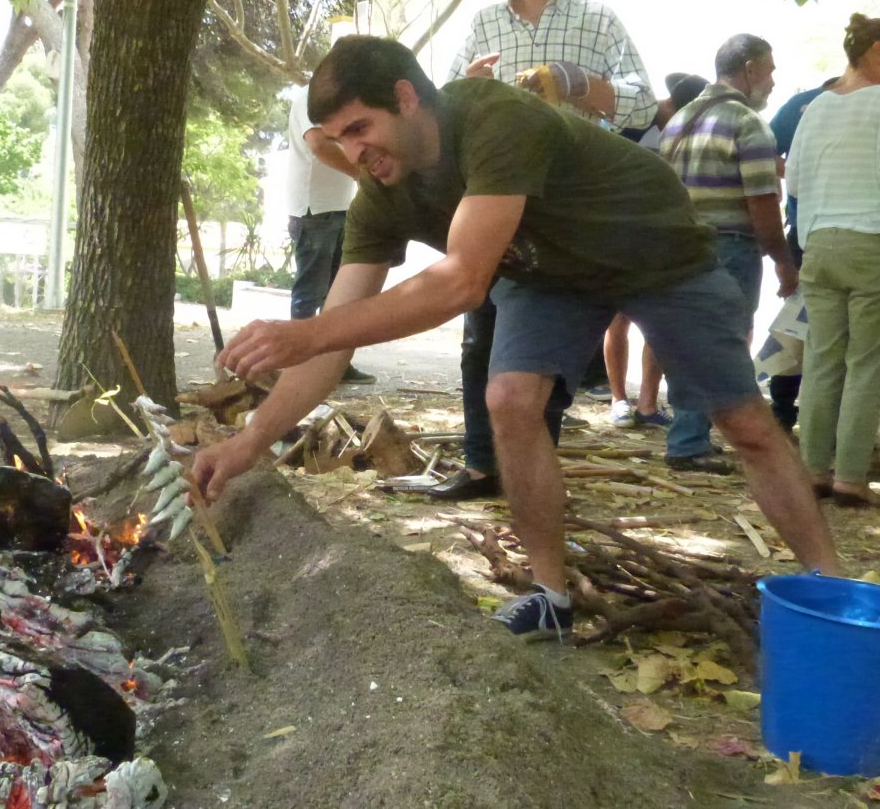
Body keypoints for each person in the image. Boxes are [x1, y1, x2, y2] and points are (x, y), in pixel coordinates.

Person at [193, 36, 841, 640]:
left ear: (407, 97)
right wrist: (250, 439)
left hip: (653, 248)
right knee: (508, 399)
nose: (354, 153)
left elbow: (461, 282)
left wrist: (304, 333)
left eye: (361, 129)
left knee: (745, 423)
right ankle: (550, 596)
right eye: (338, 139)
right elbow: (328, 347)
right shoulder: (382, 194)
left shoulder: (493, 117)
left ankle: (833, 597)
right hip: (550, 271)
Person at [428, 0, 659, 501]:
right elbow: (441, 109)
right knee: (478, 331)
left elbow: (643, 101)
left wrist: (577, 82)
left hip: (566, 196)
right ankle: (483, 467)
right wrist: (469, 90)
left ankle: (529, 477)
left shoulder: (598, 21)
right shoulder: (484, 22)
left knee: (543, 344)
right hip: (490, 186)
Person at [786, 14, 880, 507]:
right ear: (877, 50)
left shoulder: (816, 105)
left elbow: (794, 183)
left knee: (823, 361)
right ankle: (850, 477)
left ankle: (812, 470)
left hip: (820, 243)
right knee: (867, 364)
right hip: (873, 244)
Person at [651, 35, 797, 474]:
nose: (772, 81)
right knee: (723, 345)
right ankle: (695, 442)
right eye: (769, 70)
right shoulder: (746, 123)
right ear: (749, 69)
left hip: (680, 248)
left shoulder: (679, 122)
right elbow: (762, 205)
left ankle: (687, 437)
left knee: (686, 343)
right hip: (728, 249)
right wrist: (783, 261)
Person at [602, 72, 710, 429]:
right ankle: (618, 400)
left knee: (658, 323)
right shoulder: (632, 127)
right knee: (618, 319)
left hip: (661, 238)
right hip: (620, 234)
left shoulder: (685, 135)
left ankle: (648, 405)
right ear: (672, 105)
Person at [284, 83, 375, 384]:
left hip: (340, 207)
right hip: (314, 209)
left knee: (339, 294)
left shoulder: (339, 100)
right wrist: (363, 175)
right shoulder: (309, 97)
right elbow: (319, 144)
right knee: (310, 292)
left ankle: (335, 365)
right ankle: (299, 365)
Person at [766, 75, 840, 432]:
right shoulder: (801, 105)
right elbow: (765, 151)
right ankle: (783, 403)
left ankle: (820, 411)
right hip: (807, 229)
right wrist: (798, 170)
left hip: (839, 230)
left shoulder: (879, 102)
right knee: (798, 319)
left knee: (823, 322)